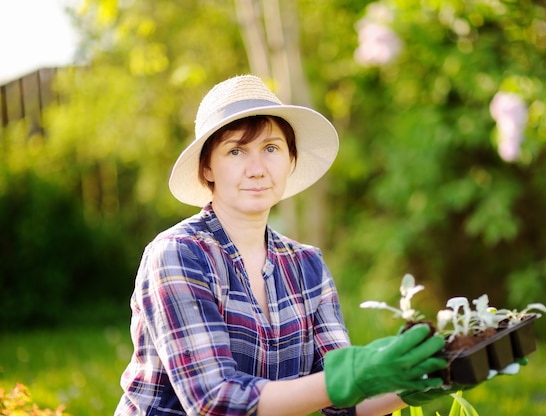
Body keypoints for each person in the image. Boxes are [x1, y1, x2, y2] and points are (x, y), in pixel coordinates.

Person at [115, 75, 450, 416]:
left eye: (271, 148)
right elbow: (213, 401)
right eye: (236, 151)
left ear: (290, 159)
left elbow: (340, 399)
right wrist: (351, 375)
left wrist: (424, 380)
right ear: (207, 167)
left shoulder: (306, 265)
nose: (257, 169)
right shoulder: (179, 253)